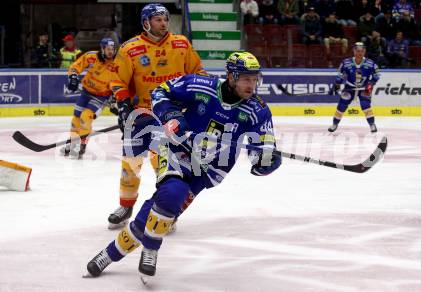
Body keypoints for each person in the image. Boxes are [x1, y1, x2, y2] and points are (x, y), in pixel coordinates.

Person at [85, 51, 282, 280]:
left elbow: (263, 145)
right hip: (179, 150)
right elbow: (161, 92)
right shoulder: (201, 85)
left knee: (158, 211)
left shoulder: (258, 110)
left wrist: (266, 160)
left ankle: (108, 255)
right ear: (231, 76)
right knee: (171, 193)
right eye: (246, 78)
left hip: (209, 169)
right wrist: (172, 116)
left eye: (254, 78)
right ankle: (151, 247)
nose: (252, 84)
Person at [107, 3, 205, 229]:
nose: (163, 23)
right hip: (141, 115)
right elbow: (118, 81)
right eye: (158, 19)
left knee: (167, 166)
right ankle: (126, 206)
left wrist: (202, 97)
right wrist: (123, 105)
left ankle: (167, 211)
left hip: (171, 114)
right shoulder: (130, 48)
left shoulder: (181, 44)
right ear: (146, 23)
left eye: (165, 19)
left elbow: (198, 73)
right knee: (130, 166)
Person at [61, 38, 117, 158]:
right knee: (76, 118)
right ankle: (71, 143)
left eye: (112, 49)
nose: (111, 52)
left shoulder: (119, 63)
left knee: (85, 117)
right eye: (108, 49)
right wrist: (73, 77)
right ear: (102, 49)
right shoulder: (92, 56)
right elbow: (76, 66)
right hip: (86, 92)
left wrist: (116, 101)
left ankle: (80, 146)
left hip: (102, 97)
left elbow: (123, 81)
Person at [328, 42, 380, 133]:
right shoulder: (346, 62)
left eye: (362, 51)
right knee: (342, 105)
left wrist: (371, 84)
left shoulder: (370, 63)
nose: (360, 53)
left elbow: (377, 74)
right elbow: (341, 75)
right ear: (354, 51)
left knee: (365, 105)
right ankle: (335, 124)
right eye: (358, 51)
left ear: (364, 52)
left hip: (364, 88)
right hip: (349, 87)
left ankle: (372, 124)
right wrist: (337, 85)